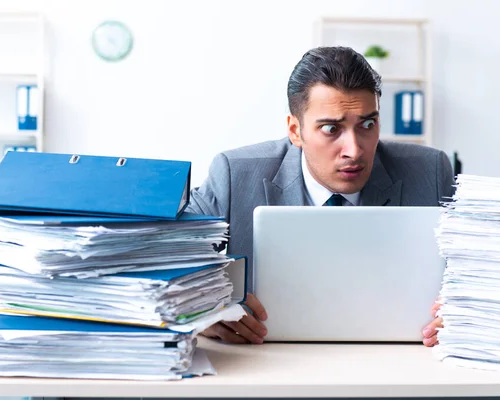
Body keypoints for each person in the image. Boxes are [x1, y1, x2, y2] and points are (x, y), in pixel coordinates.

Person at [185, 46, 455, 345]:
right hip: (265, 361)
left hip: (402, 360)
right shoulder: (234, 175)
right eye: (331, 128)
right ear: (295, 131)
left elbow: (486, 269)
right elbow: (155, 261)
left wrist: (467, 310)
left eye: (367, 125)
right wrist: (201, 312)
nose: (354, 150)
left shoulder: (430, 171)